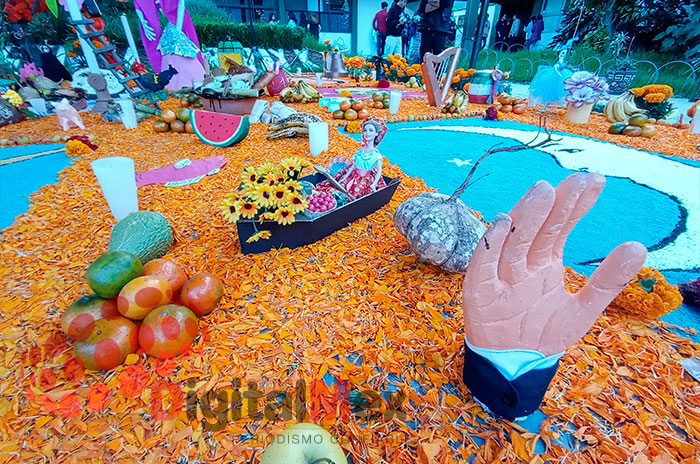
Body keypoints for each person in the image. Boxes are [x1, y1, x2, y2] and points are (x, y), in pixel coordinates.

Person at [318, 118, 388, 198]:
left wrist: (374, 183)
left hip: (364, 180)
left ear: (376, 133)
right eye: (365, 130)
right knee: (340, 187)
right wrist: (345, 176)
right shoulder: (360, 151)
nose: (367, 133)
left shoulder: (376, 155)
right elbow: (353, 166)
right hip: (353, 176)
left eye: (371, 130)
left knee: (355, 194)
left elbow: (379, 171)